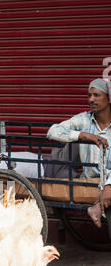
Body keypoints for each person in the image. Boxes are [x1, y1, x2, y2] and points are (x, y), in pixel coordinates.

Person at [46, 78, 111, 228]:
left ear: (109, 98)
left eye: (96, 95)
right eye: (89, 96)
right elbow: (52, 131)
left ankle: (96, 207)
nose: (91, 99)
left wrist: (109, 184)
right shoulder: (84, 120)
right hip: (90, 179)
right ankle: (97, 207)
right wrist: (82, 135)